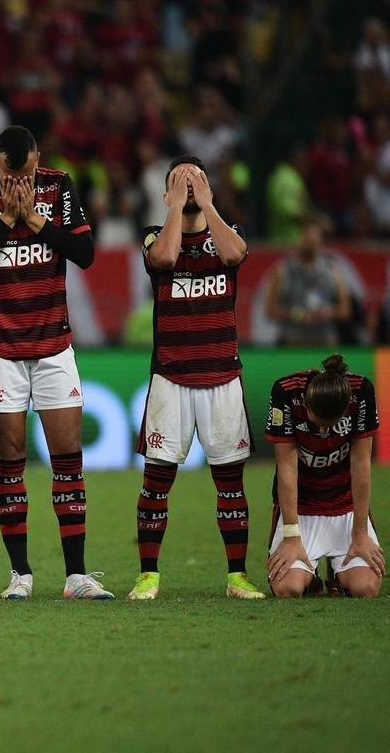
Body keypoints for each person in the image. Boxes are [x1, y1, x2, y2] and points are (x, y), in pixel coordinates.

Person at [0, 124, 112, 600]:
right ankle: (20, 575)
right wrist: (4, 220)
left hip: (55, 345)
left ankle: (76, 576)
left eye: (30, 170)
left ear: (38, 159)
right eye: (13, 170)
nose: (24, 178)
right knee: (11, 461)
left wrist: (36, 222)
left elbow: (84, 252)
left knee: (68, 459)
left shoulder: (59, 186)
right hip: (1, 347)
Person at [128, 155, 265, 600]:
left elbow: (234, 254)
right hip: (171, 377)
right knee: (156, 481)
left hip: (222, 375)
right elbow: (165, 258)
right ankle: (149, 575)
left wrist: (206, 203)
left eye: (197, 181)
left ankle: (236, 577)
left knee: (229, 482)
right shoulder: (154, 235)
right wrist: (173, 206)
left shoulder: (230, 232)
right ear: (166, 194)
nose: (188, 189)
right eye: (179, 183)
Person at [266, 354, 385, 598]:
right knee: (288, 589)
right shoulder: (286, 392)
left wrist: (360, 532)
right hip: (301, 510)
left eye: (331, 425)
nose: (324, 431)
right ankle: (311, 577)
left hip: (345, 506)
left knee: (366, 589)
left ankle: (339, 576)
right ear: (307, 405)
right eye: (319, 423)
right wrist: (291, 536)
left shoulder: (361, 391)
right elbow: (286, 467)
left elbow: (361, 463)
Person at [263, 217, 352, 347]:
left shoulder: (332, 270)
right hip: (292, 341)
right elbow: (270, 310)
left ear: (320, 240)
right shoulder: (283, 270)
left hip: (325, 340)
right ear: (300, 239)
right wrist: (297, 315)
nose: (310, 242)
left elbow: (345, 310)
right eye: (307, 237)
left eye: (314, 238)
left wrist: (329, 313)